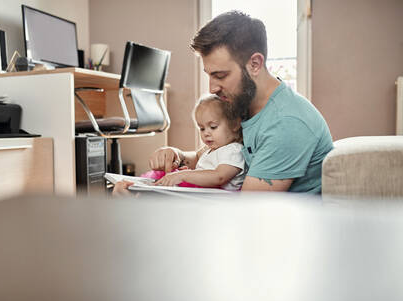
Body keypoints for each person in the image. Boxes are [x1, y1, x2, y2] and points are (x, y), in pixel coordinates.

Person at [115, 10, 333, 196]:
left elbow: (244, 214)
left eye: (220, 76)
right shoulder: (243, 105)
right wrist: (178, 156)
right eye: (209, 75)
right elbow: (211, 157)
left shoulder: (285, 123)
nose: (212, 88)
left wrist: (149, 200)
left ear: (255, 64)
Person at [151, 94, 245, 191]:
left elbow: (219, 177)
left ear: (235, 124)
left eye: (213, 127)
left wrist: (184, 175)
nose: (206, 133)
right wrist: (190, 172)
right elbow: (202, 172)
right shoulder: (210, 150)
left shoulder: (234, 150)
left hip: (220, 201)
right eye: (202, 128)